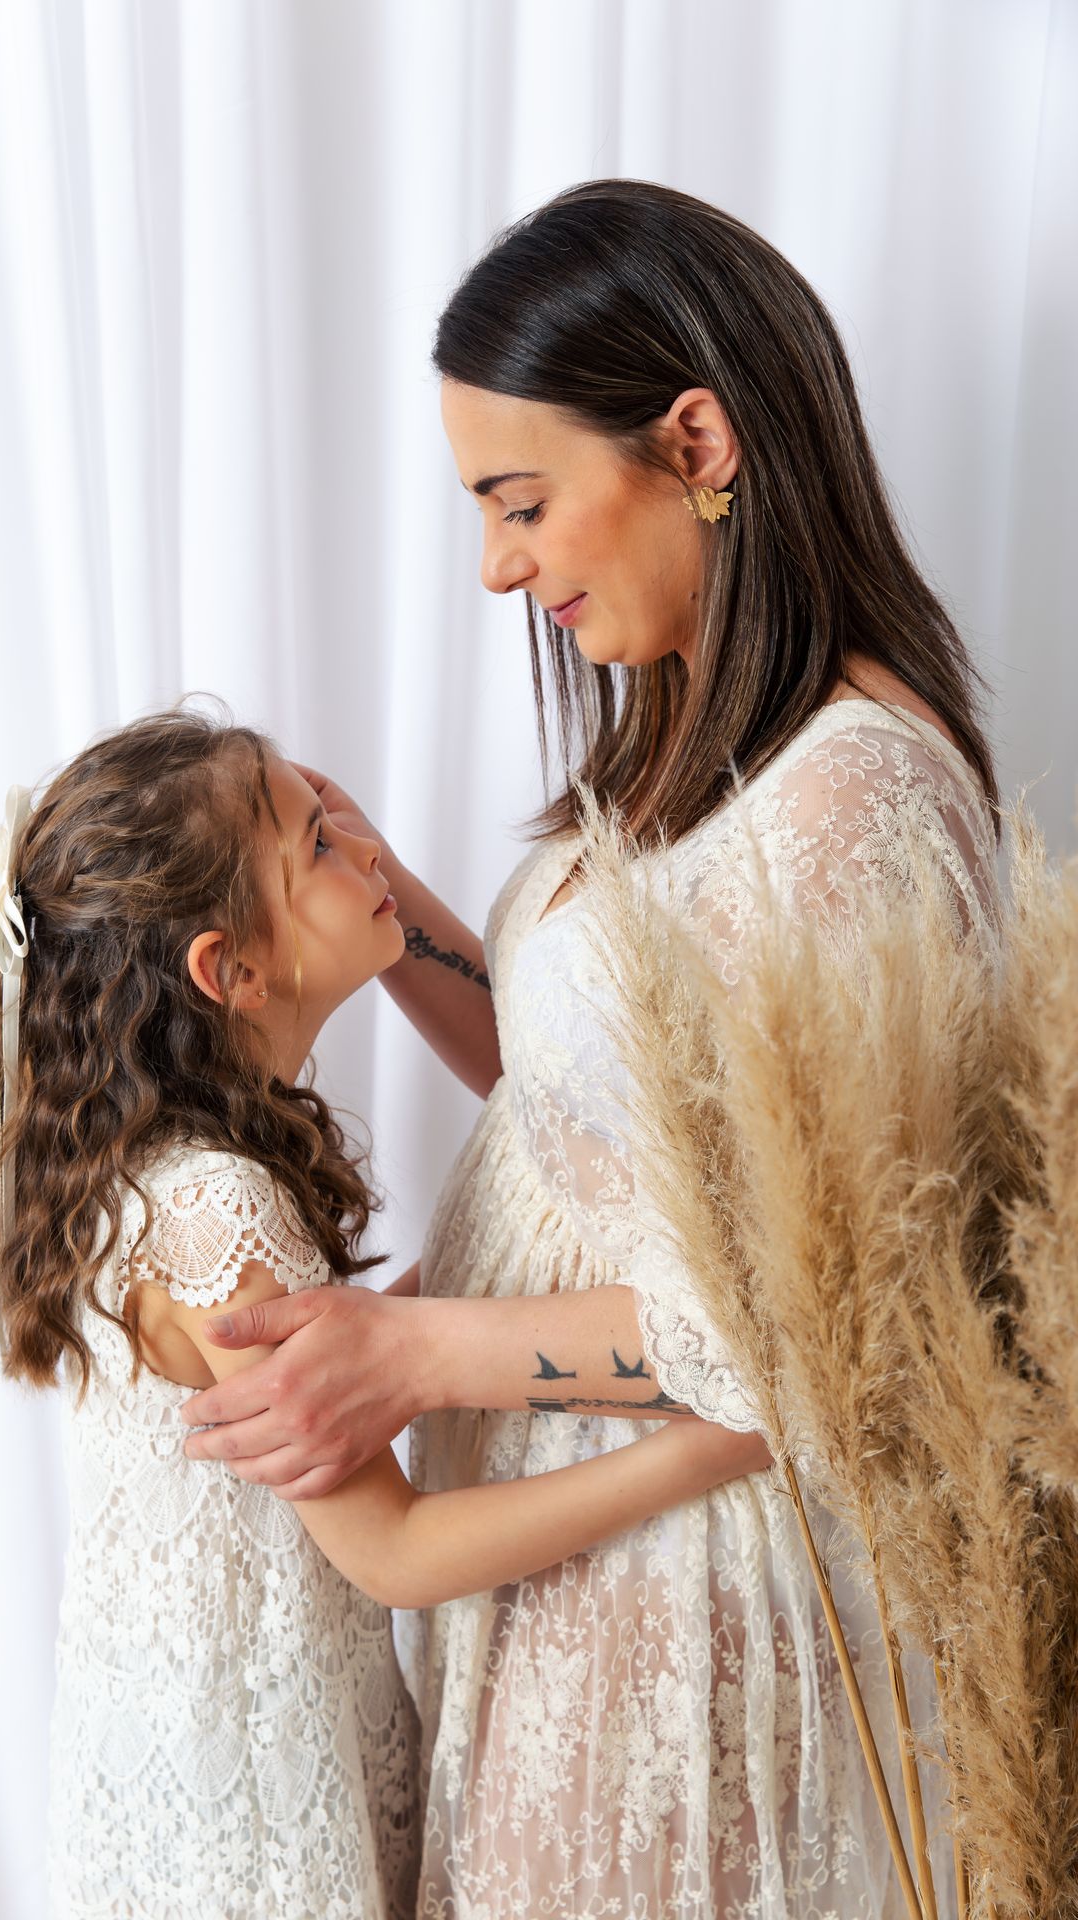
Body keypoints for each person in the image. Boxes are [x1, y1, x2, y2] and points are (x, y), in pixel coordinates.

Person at [179, 181, 1003, 1917]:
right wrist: (396, 912)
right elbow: (604, 1116)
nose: (497, 565)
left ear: (696, 439)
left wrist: (412, 1361)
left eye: (525, 502)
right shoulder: (691, 724)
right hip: (582, 1585)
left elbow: (816, 1312)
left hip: (700, 1602)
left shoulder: (856, 800)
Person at [0, 702, 772, 1920]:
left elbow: (312, 1386)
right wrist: (716, 1441)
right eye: (317, 848)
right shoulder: (216, 1211)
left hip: (171, 1756)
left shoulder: (151, 1180)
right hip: (260, 1802)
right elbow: (395, 1553)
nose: (366, 854)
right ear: (229, 968)